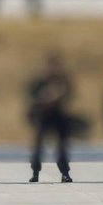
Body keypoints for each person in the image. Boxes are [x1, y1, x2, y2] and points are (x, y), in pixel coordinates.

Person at [27, 53, 74, 183]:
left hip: (59, 116)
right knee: (38, 147)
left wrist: (58, 96)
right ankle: (35, 172)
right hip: (44, 116)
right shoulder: (40, 82)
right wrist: (43, 98)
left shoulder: (63, 81)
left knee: (62, 147)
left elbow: (69, 94)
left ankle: (65, 173)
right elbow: (32, 96)